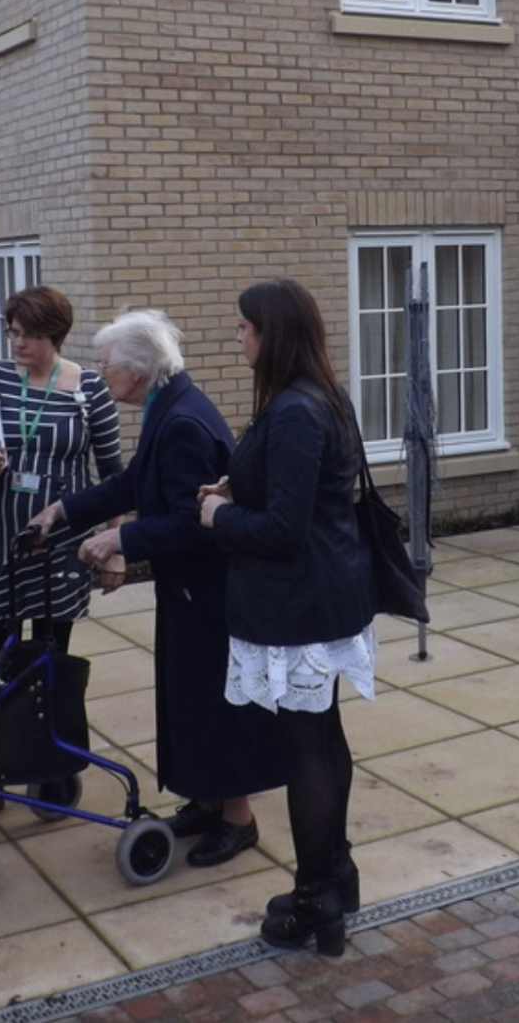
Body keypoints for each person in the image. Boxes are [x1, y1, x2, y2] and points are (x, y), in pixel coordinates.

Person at [29, 310, 288, 868]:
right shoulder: (165, 407)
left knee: (213, 704)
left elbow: (190, 519)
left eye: (107, 365)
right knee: (187, 700)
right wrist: (66, 509)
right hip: (189, 589)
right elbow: (132, 482)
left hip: (210, 591)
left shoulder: (182, 424)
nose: (100, 375)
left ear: (139, 368)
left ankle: (238, 820)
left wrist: (121, 542)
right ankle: (207, 801)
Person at [200, 278, 374, 957]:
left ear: (274, 334)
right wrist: (236, 484)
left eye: (244, 327)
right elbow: (293, 487)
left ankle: (315, 897)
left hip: (305, 602)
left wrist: (219, 515)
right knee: (321, 736)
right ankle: (336, 874)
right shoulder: (314, 398)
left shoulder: (298, 410)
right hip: (321, 596)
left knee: (308, 746)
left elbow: (282, 527)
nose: (237, 337)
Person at [0, 285, 122, 827]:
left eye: (27, 333)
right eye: (12, 331)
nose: (17, 341)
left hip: (60, 544)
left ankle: (50, 769)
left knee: (52, 657)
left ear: (53, 334)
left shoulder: (89, 388)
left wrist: (114, 546)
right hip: (3, 538)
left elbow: (114, 475)